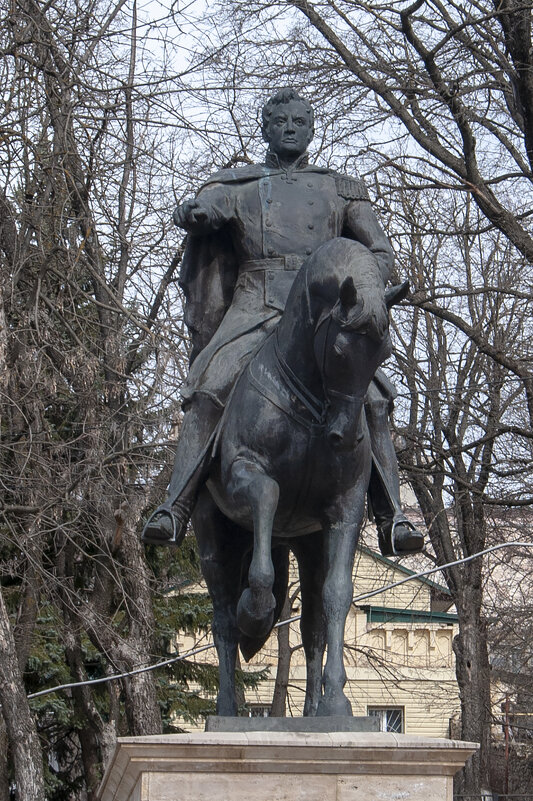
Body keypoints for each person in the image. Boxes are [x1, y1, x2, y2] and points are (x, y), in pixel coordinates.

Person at [142, 88, 424, 557]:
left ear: (312, 129)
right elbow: (207, 210)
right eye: (281, 121)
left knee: (373, 399)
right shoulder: (241, 185)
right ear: (266, 129)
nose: (291, 128)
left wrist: (363, 285)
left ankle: (391, 515)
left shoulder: (339, 188)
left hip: (323, 314)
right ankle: (175, 506)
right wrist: (191, 212)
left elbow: (380, 252)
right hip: (256, 307)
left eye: (299, 120)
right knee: (208, 387)